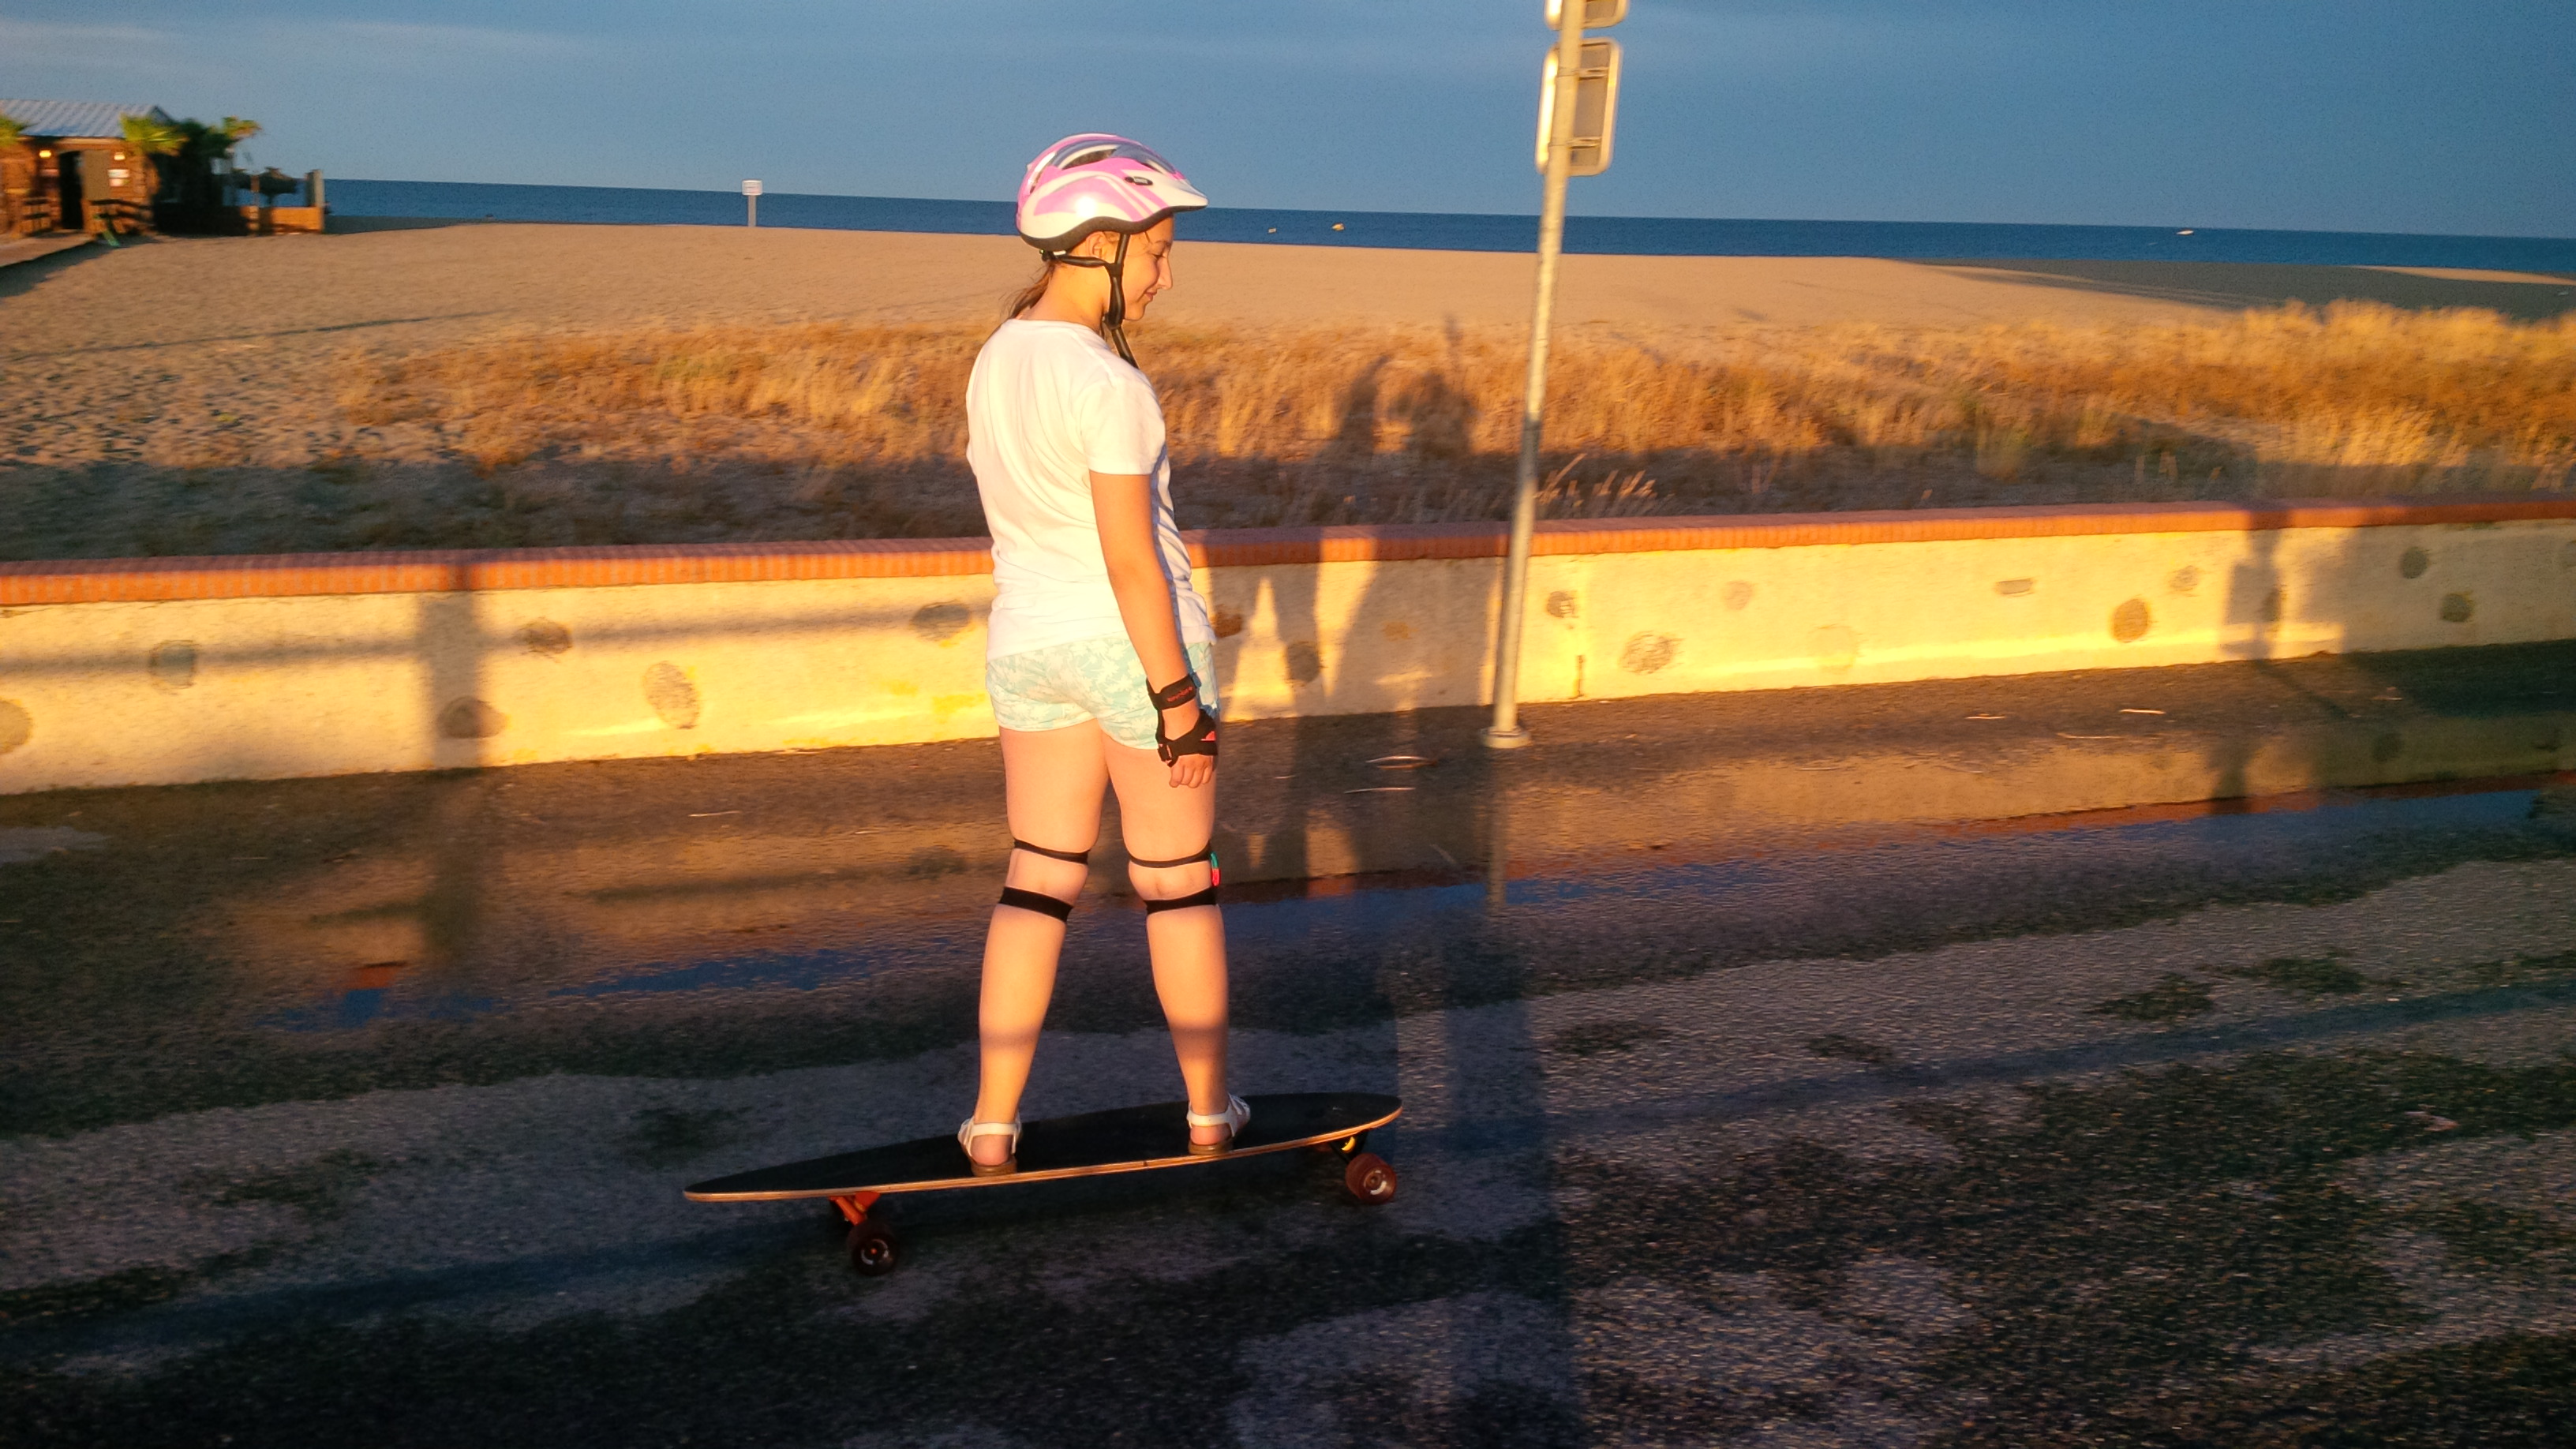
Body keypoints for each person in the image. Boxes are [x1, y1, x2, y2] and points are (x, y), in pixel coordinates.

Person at [955, 135, 1239, 1175]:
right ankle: (1209, 1115)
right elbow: (1131, 561)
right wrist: (1178, 704)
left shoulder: (997, 357)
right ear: (1101, 244)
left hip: (1028, 647)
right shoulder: (1108, 382)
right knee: (1178, 886)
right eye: (1157, 251)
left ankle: (992, 1123)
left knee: (1037, 882)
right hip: (1133, 656)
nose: (1166, 275)